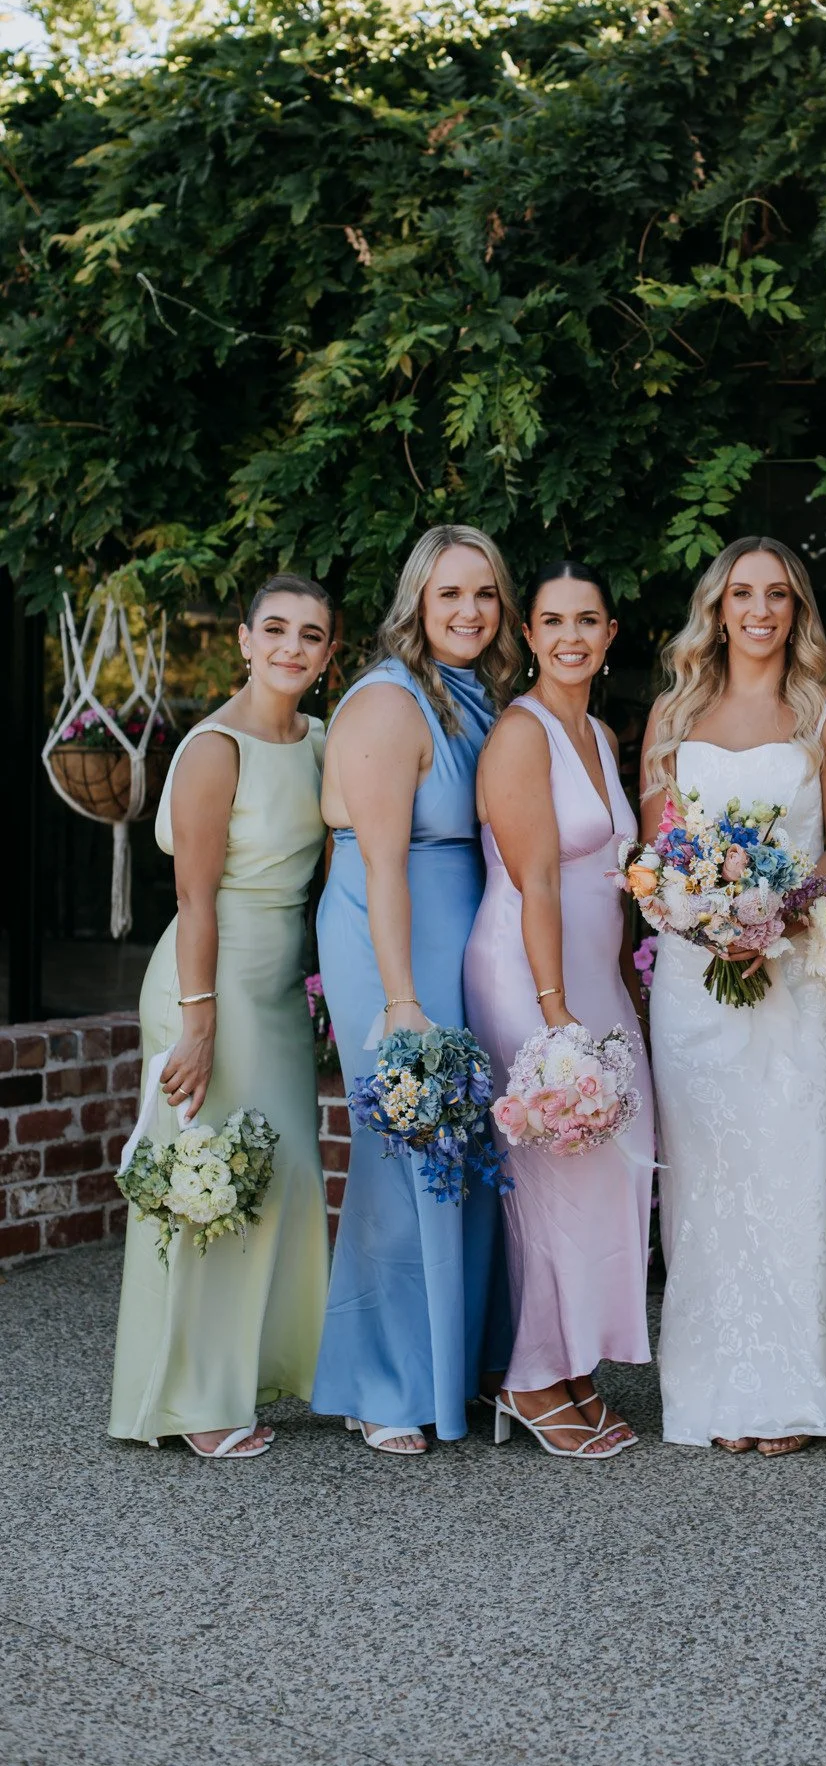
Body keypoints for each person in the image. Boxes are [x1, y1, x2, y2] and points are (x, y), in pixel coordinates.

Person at [641, 536, 826, 1456]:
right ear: (718, 606)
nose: (761, 610)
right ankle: (710, 1387)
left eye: (779, 595)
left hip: (796, 972)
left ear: (798, 612)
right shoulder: (673, 712)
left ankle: (793, 1386)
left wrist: (778, 914)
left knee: (795, 1170)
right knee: (707, 1183)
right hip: (696, 981)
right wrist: (708, 919)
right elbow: (658, 858)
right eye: (743, 593)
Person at [109, 576, 337, 1457]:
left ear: (326, 655)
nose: (291, 647)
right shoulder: (215, 748)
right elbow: (194, 899)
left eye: (310, 636)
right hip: (208, 983)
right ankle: (189, 1402)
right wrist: (197, 1025)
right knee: (202, 1182)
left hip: (278, 992)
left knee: (273, 1182)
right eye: (274, 629)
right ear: (243, 640)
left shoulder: (319, 739)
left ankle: (251, 1371)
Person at [310, 525, 520, 1454]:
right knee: (405, 1151)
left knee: (462, 1150)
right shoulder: (389, 704)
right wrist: (400, 1002)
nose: (469, 612)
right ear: (417, 606)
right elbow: (380, 867)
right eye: (449, 596)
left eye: (484, 594)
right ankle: (381, 1383)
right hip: (390, 944)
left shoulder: (478, 695)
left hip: (456, 935)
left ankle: (447, 1364)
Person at [465, 561, 653, 1459]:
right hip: (527, 975)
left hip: (594, 976)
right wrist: (554, 1018)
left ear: (610, 634)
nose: (572, 635)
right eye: (553, 621)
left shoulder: (602, 733)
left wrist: (624, 993)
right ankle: (530, 1376)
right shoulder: (519, 733)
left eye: (589, 619)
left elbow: (611, 885)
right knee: (548, 1175)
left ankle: (578, 1362)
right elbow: (536, 877)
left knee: (609, 1166)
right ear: (529, 635)